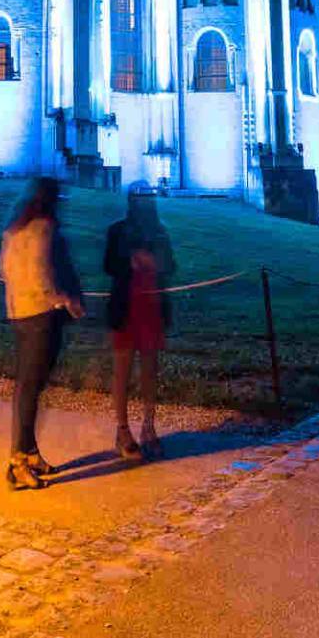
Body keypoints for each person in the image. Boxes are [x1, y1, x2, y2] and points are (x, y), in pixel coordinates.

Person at [0, 176, 85, 490]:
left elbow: (4, 269)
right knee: (30, 389)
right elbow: (42, 274)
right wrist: (65, 300)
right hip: (40, 316)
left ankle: (30, 452)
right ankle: (17, 461)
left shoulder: (14, 229)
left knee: (28, 387)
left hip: (19, 313)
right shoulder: (43, 228)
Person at [104, 185, 174, 462]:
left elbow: (171, 266)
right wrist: (130, 260)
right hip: (126, 305)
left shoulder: (160, 231)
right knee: (122, 369)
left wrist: (156, 261)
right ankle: (122, 429)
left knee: (149, 370)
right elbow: (109, 265)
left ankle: (148, 426)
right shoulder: (118, 230)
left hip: (152, 306)